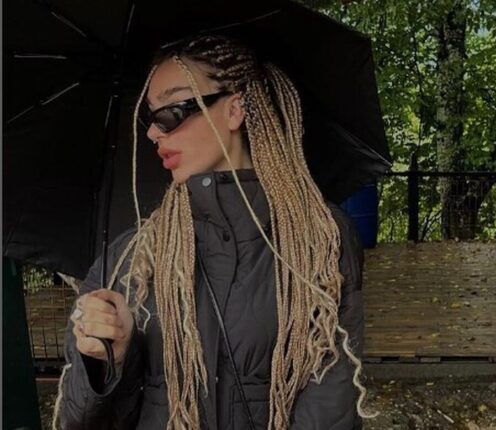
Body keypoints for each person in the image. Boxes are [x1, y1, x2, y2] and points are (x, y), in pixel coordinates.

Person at [52, 34, 374, 430]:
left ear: (234, 109)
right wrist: (108, 362)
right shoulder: (131, 257)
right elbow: (79, 419)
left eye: (171, 111)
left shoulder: (318, 239)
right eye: (150, 119)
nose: (153, 133)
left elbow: (331, 403)